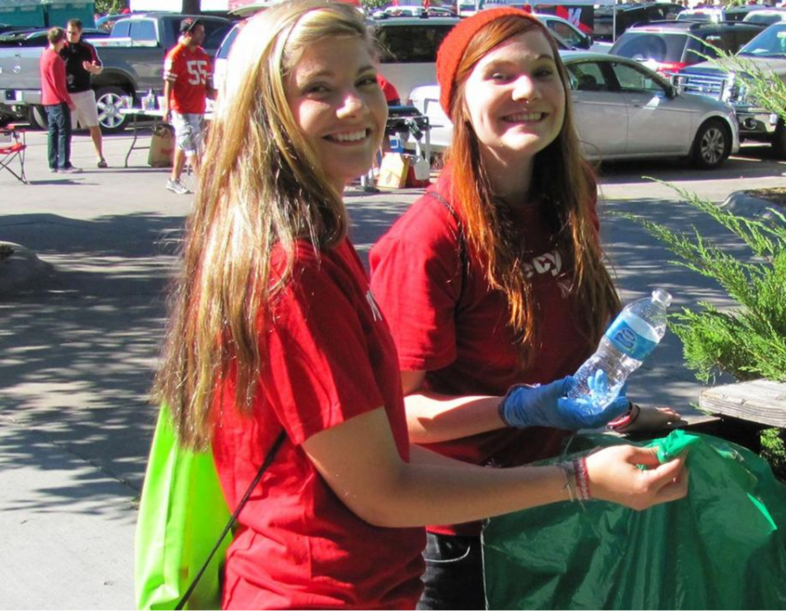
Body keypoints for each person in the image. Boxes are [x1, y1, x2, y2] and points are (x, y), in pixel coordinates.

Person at [152, 1, 688, 608]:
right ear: (266, 110)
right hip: (322, 589)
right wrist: (577, 476)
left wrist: (577, 439)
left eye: (362, 80)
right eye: (318, 88)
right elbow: (383, 485)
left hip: (379, 579)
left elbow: (371, 452)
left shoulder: (319, 246)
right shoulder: (294, 270)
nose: (355, 105)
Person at [369, 9, 683, 609]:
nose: (527, 90)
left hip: (559, 504)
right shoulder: (430, 238)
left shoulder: (573, 196)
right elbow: (394, 417)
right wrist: (517, 409)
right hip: (466, 533)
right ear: (456, 101)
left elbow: (573, 358)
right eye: (499, 75)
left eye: (544, 71)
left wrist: (620, 414)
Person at [162, 18, 214, 195]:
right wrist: (166, 106)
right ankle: (205, 186)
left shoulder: (202, 54)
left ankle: (174, 180)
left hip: (198, 107)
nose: (203, 35)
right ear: (188, 33)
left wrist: (216, 97)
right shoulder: (176, 55)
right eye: (199, 31)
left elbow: (207, 81)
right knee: (194, 147)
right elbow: (169, 82)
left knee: (183, 144)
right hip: (182, 108)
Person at [63, 19, 108, 168]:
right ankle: (64, 159)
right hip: (67, 93)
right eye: (68, 32)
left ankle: (100, 156)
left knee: (94, 125)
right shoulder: (61, 47)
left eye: (74, 33)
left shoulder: (87, 48)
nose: (70, 36)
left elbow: (99, 67)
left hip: (85, 92)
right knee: (66, 129)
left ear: (80, 33)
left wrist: (92, 69)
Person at [39, 27, 78, 174]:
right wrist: (68, 101)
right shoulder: (55, 59)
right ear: (60, 40)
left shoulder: (45, 55)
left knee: (53, 132)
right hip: (57, 100)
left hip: (48, 99)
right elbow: (59, 84)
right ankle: (64, 164)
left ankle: (53, 163)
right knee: (64, 132)